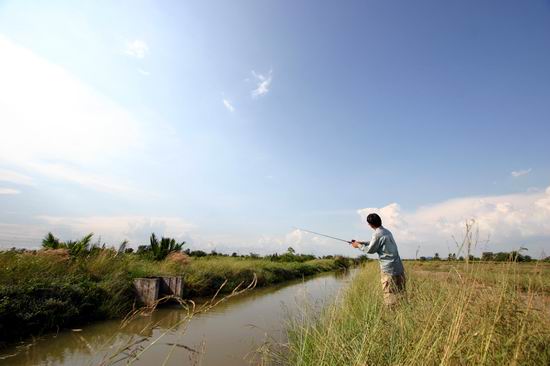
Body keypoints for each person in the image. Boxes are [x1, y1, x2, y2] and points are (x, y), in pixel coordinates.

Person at [351, 213, 406, 307]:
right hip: (398, 267)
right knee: (401, 293)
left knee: (389, 294)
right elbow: (377, 242)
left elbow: (370, 250)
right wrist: (363, 242)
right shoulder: (387, 232)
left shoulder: (377, 234)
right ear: (380, 221)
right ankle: (402, 313)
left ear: (370, 224)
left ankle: (391, 315)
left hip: (388, 269)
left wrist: (358, 245)